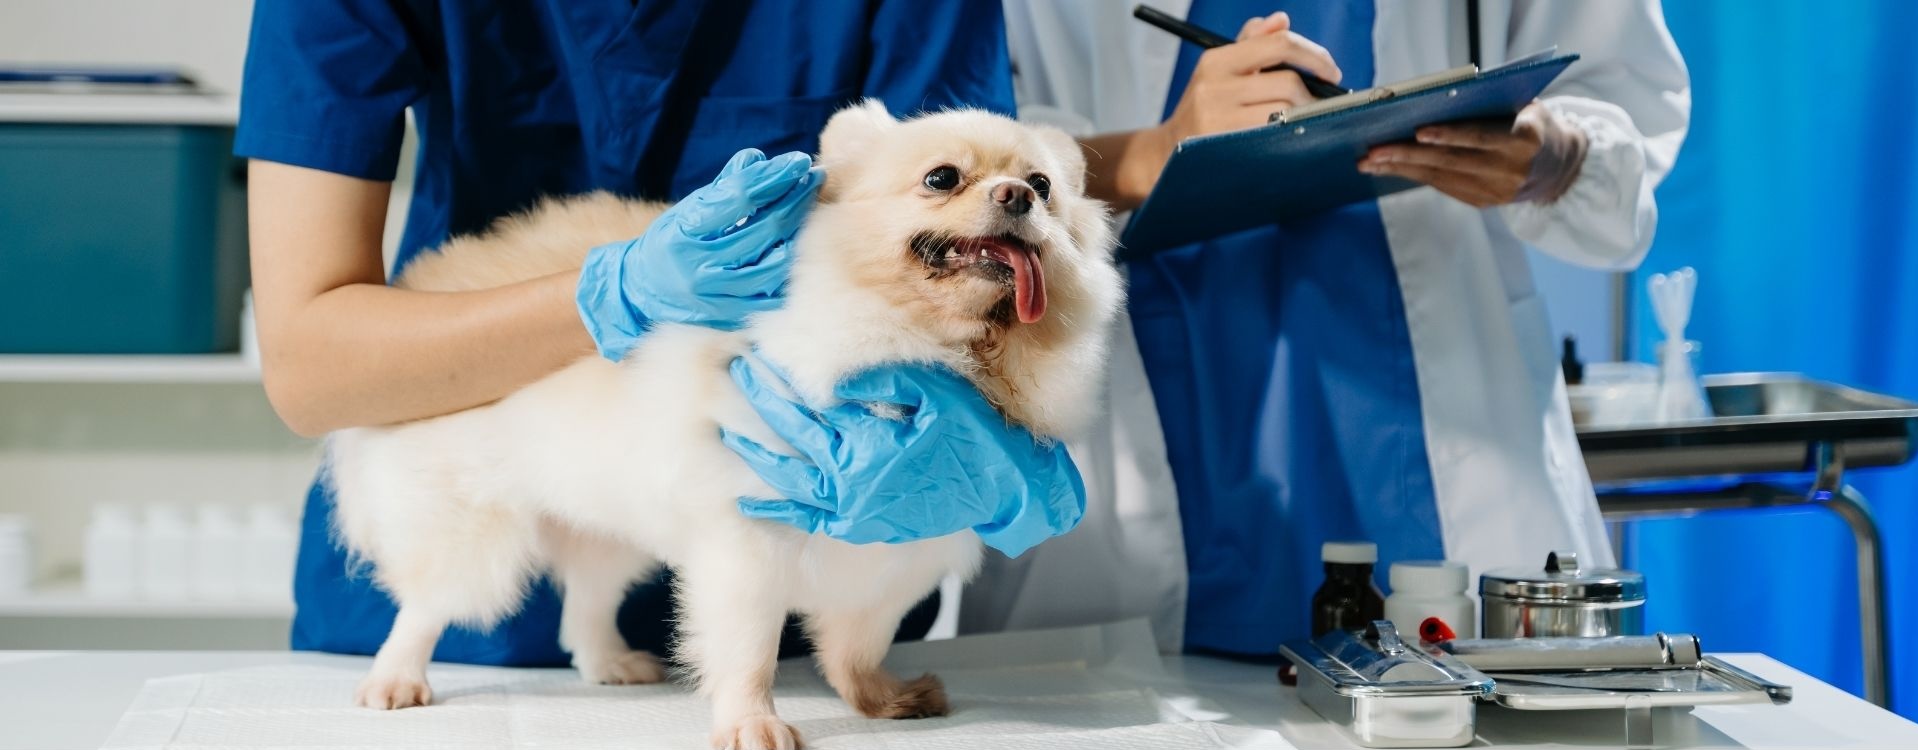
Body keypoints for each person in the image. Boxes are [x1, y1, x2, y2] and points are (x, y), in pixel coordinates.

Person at [237, 0, 1059, 665]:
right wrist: (616, 297)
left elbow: (963, 203)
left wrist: (986, 432)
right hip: (468, 595)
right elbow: (312, 371)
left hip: (812, 618)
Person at [971, 0, 1691, 654]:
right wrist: (1162, 147)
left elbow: (1625, 93)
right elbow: (952, 160)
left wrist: (1560, 156)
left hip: (1427, 426)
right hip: (1136, 422)